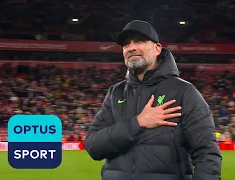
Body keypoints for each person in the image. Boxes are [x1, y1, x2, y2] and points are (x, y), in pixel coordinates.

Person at [84, 20, 222, 180]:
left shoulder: (183, 92)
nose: (131, 47)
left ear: (157, 48)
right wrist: (138, 123)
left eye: (139, 41)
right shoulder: (116, 93)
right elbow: (93, 146)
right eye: (126, 44)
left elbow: (207, 154)